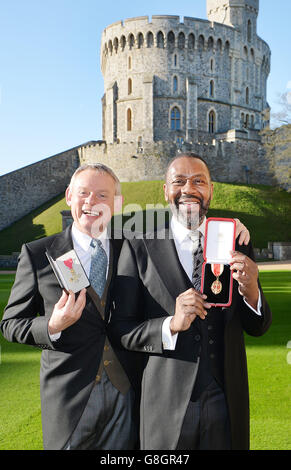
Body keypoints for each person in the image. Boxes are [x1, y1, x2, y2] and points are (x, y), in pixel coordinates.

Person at [109, 152, 272, 450]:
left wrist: (251, 291)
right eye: (179, 181)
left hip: (225, 401)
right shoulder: (138, 247)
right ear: (165, 190)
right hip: (165, 406)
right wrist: (170, 325)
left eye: (199, 181)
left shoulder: (238, 241)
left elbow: (258, 326)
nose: (189, 189)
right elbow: (121, 330)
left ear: (211, 189)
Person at [0, 163, 138, 450]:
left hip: (126, 395)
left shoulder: (134, 249)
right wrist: (52, 325)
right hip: (70, 397)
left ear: (117, 202)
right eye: (84, 193)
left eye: (102, 195)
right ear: (68, 196)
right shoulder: (38, 254)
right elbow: (10, 324)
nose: (91, 202)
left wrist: (230, 232)